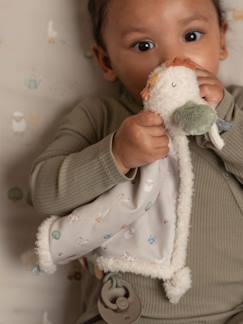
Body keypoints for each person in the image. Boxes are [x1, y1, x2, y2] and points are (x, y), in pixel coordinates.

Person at [30, 0, 243, 323]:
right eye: (143, 45)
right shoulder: (100, 116)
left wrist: (225, 117)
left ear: (223, 40)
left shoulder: (236, 106)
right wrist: (115, 154)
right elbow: (45, 194)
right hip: (126, 312)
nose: (173, 60)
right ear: (106, 61)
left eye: (192, 35)